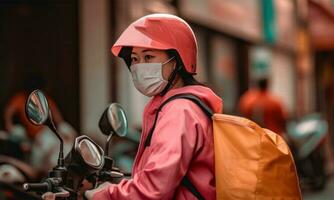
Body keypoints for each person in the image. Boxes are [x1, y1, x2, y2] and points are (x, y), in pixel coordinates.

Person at [85, 14, 222, 200]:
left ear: (176, 61)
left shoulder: (180, 111)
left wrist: (107, 194)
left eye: (148, 57)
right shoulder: (179, 105)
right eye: (134, 59)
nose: (139, 67)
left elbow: (154, 189)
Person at [4, 74, 64, 140]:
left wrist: (63, 130)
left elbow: (58, 118)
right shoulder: (20, 98)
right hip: (32, 138)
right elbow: (8, 113)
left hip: (47, 133)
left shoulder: (45, 98)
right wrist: (10, 128)